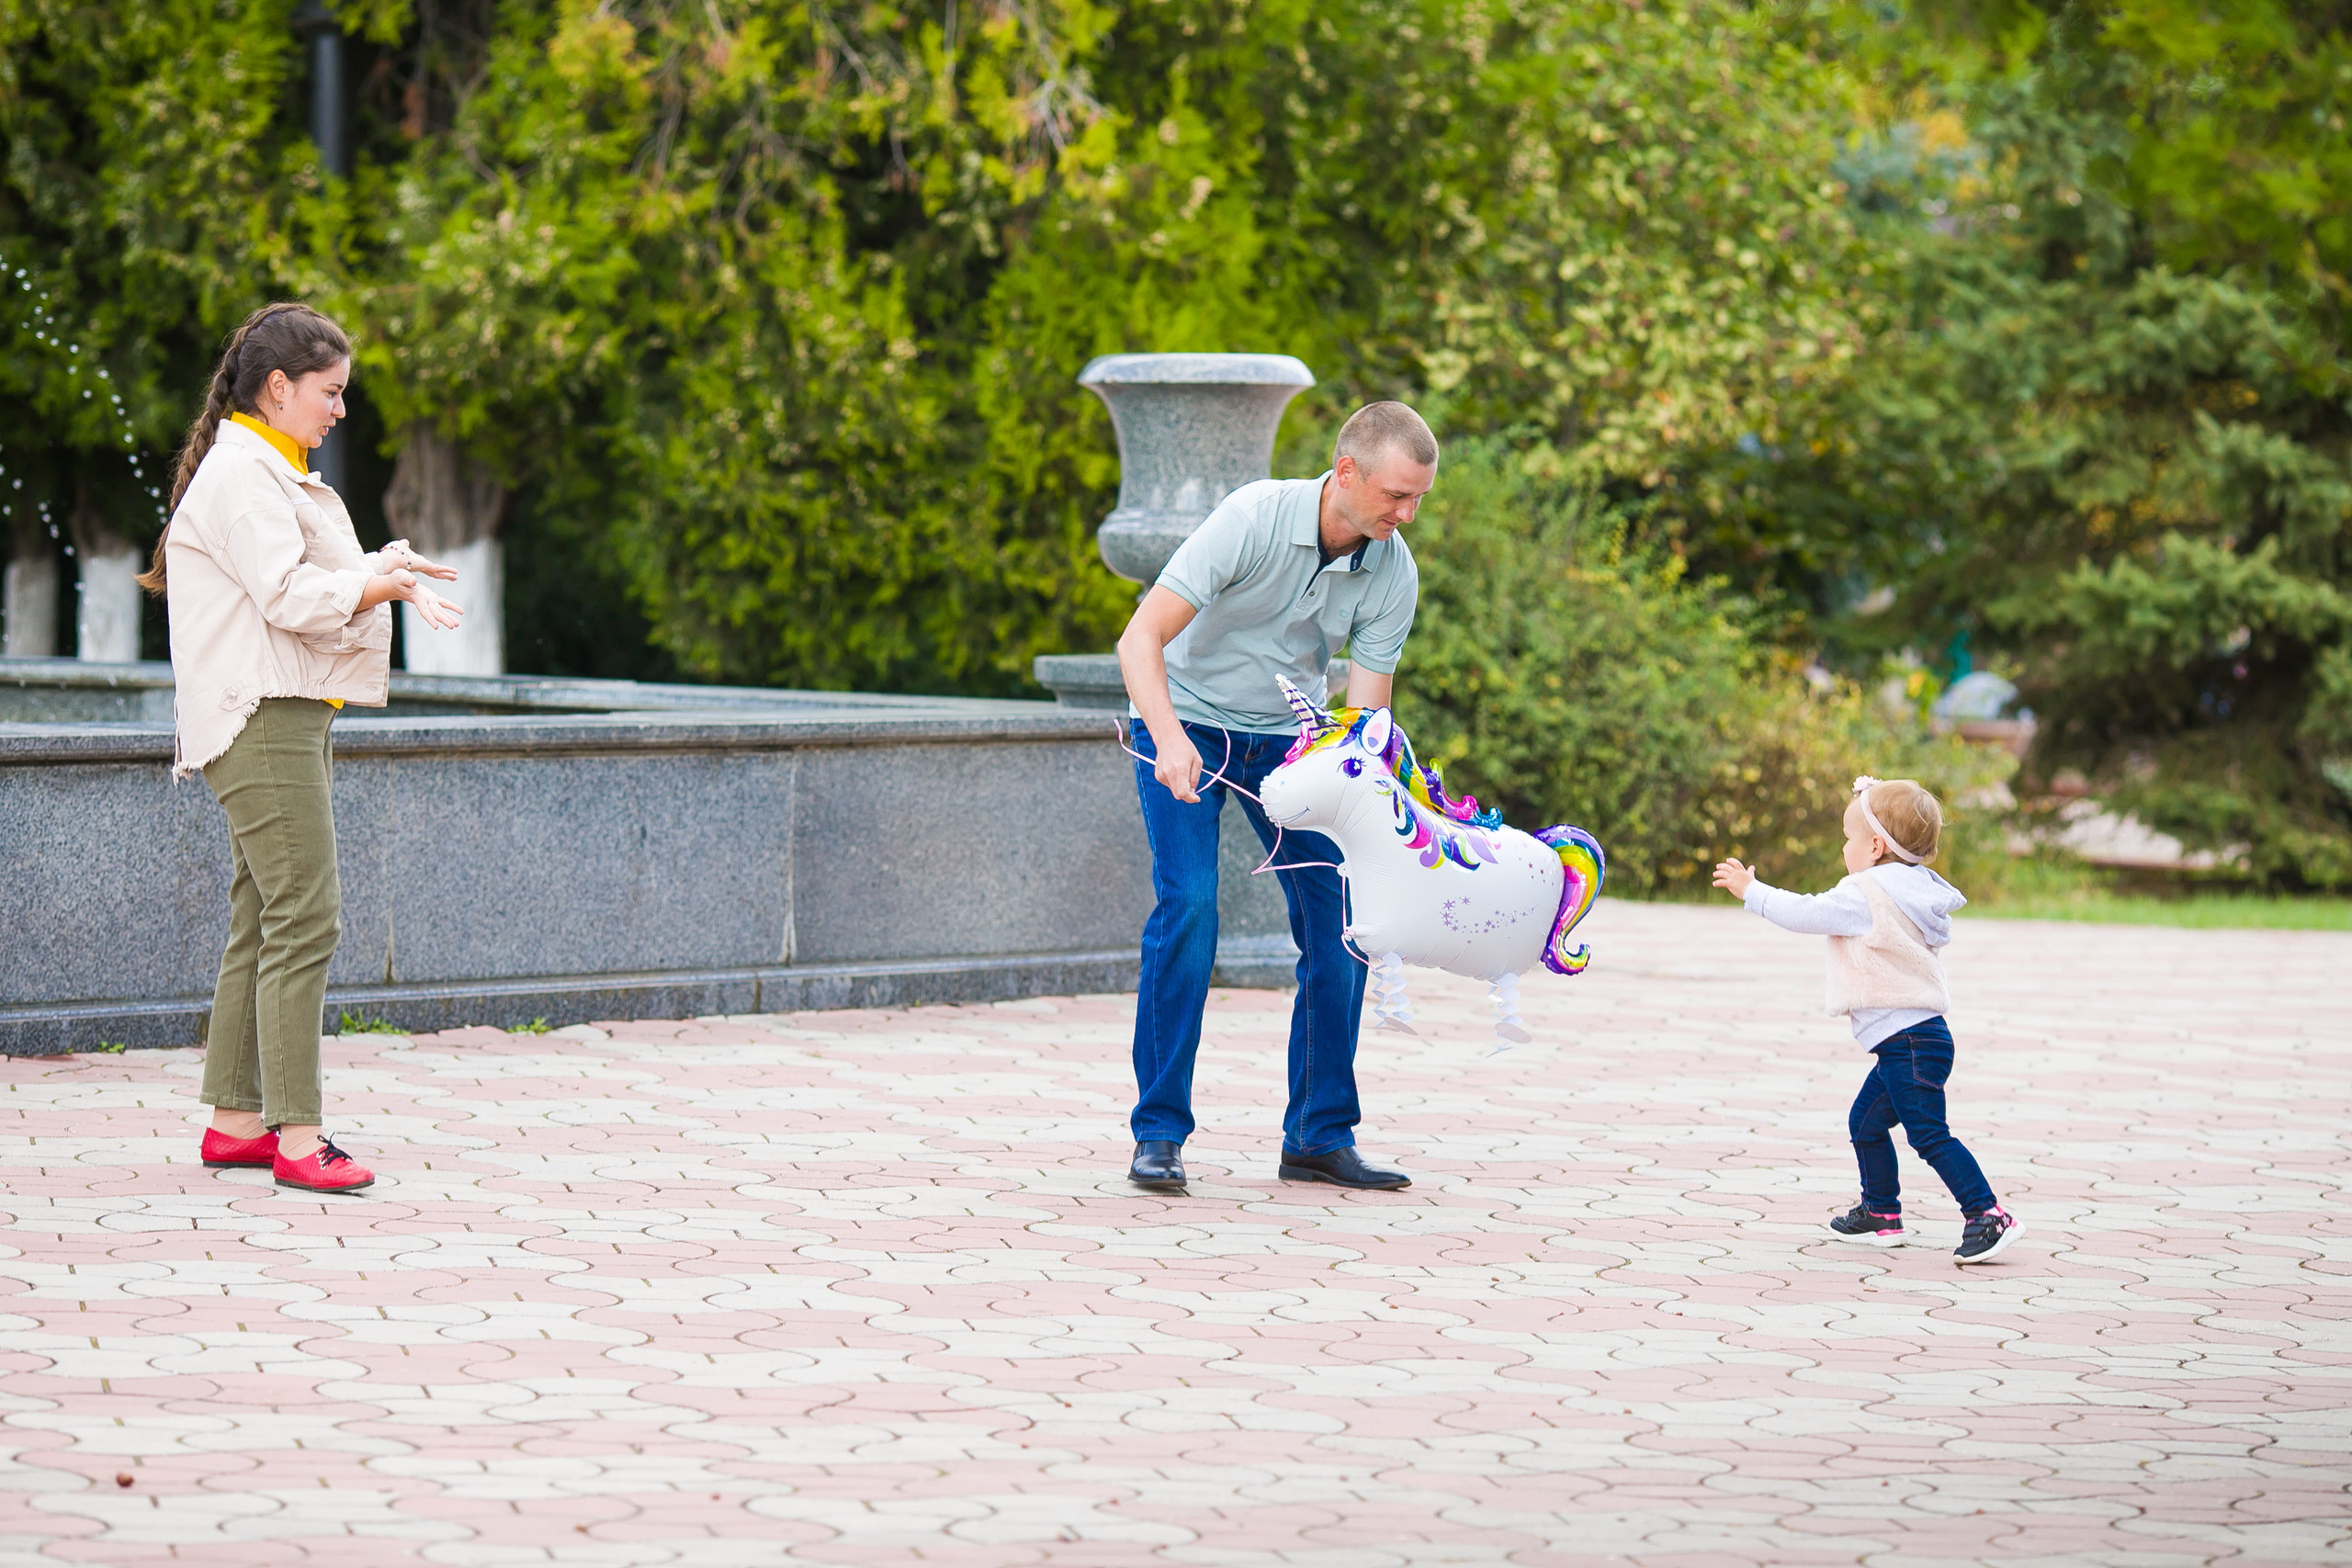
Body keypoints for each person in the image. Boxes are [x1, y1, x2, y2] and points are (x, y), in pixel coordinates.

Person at [136, 302, 464, 1195]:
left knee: (264, 916)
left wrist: (384, 569)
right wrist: (377, 585)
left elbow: (304, 579)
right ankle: (297, 1137)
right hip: (264, 715)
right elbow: (289, 596)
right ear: (277, 388)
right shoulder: (246, 475)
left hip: (281, 713)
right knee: (306, 918)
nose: (340, 410)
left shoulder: (266, 467)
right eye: (331, 392)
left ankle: (238, 1123)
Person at [1117, 401, 1437, 1192]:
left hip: (1293, 744)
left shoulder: (1393, 569)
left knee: (1344, 923)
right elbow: (1140, 638)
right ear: (1347, 472)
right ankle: (1158, 1135)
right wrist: (1169, 738)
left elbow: (1363, 716)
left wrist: (1386, 803)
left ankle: (1318, 1136)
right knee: (1190, 906)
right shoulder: (1252, 519)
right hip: (1183, 715)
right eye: (1396, 495)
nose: (1406, 514)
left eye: (1419, 499)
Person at [1712, 776, 2021, 1264]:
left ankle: (1987, 1213)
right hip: (1915, 1041)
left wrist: (1754, 891)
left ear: (1875, 846)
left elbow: (1806, 913)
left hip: (1910, 1042)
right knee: (1866, 1122)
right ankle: (1880, 1213)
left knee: (1927, 1133)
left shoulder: (1867, 893)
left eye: (1848, 837)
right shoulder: (1915, 889)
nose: (1844, 847)